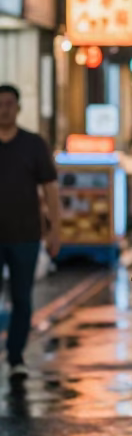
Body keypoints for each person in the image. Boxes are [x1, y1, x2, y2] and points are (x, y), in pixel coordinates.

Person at [0, 84, 60, 377]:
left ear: (18, 107)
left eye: (9, 103)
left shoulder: (33, 144)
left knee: (22, 299)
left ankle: (15, 358)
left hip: (26, 234)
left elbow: (50, 188)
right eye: (0, 104)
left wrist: (55, 230)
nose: (4, 109)